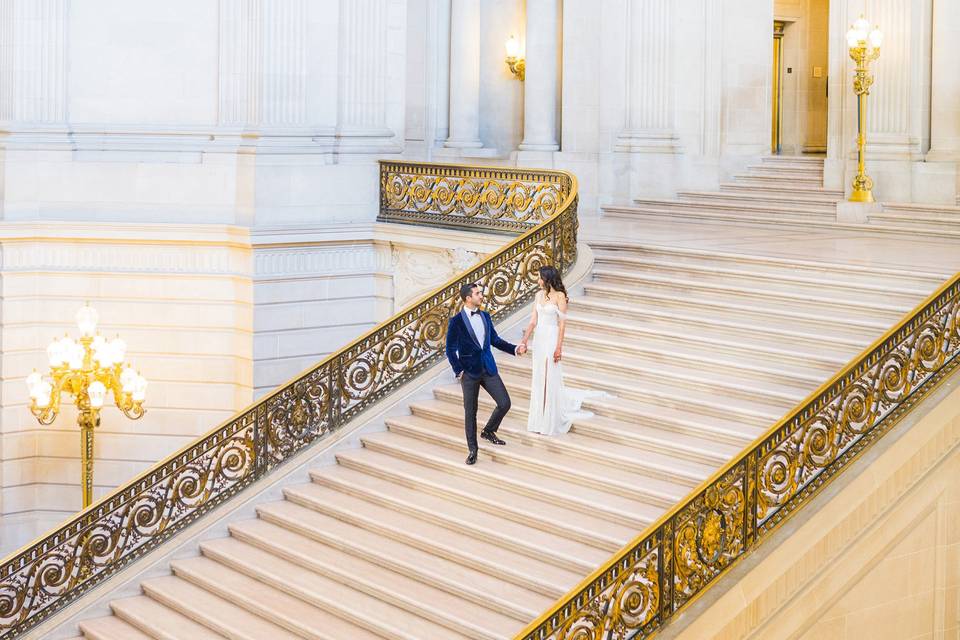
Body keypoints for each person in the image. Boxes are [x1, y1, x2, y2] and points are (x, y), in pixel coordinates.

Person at [445, 282, 527, 465]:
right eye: (477, 293)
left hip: (488, 368)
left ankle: (489, 430)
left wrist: (515, 349)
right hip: (469, 373)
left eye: (480, 293)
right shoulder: (456, 322)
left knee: (505, 402)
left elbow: (495, 340)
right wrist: (459, 371)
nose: (481, 296)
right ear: (468, 298)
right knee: (470, 412)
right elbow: (450, 350)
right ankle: (473, 450)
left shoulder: (486, 316)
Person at [520, 265, 601, 436]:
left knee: (550, 375)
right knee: (539, 376)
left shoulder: (560, 296)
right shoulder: (538, 295)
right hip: (540, 338)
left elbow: (562, 324)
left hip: (551, 337)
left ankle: (550, 418)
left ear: (547, 278)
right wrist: (525, 340)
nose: (537, 280)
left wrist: (559, 347)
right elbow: (533, 321)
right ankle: (539, 418)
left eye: (540, 277)